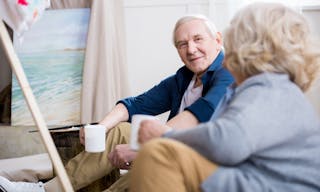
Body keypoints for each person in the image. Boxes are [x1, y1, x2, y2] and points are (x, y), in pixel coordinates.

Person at [0, 14, 234, 192]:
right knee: (119, 128)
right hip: (173, 149)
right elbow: (136, 104)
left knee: (151, 164)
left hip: (205, 161)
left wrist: (141, 150)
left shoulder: (228, 72)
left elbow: (198, 116)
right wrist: (101, 127)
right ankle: (46, 190)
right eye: (182, 44)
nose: (191, 49)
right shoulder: (184, 78)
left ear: (217, 39)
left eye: (197, 39)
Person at [129, 2, 320, 192]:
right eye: (183, 44)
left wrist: (166, 135)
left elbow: (228, 142)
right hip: (256, 176)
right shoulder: (265, 87)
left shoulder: (269, 87)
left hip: (271, 184)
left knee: (159, 154)